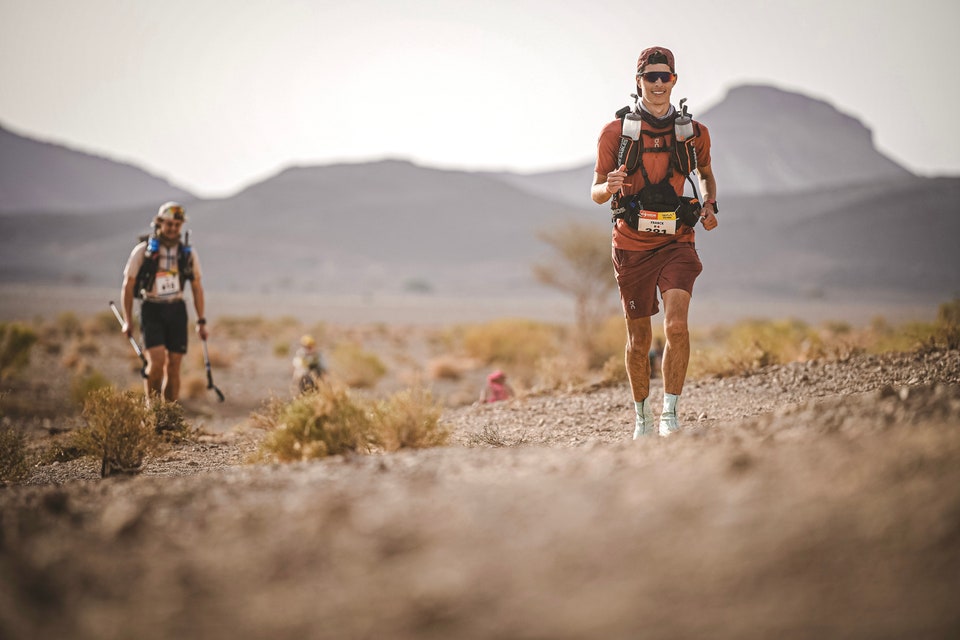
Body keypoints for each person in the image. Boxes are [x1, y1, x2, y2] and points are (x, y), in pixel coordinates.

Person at [590, 46, 719, 438]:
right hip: (631, 245)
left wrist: (710, 204)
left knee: (677, 326)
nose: (659, 83)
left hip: (677, 240)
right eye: (652, 77)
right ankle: (642, 417)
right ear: (639, 81)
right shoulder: (615, 134)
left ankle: (671, 414)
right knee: (638, 338)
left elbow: (708, 176)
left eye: (665, 76)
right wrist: (607, 186)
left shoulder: (694, 134)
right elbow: (595, 192)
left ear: (675, 80)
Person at [120, 201, 207, 403]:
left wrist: (201, 321)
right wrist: (127, 320)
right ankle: (152, 412)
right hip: (151, 308)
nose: (172, 229)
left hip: (177, 309)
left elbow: (196, 287)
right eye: (169, 224)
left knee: (174, 365)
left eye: (177, 225)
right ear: (159, 223)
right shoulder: (143, 251)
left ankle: (168, 415)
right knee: (157, 362)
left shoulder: (187, 254)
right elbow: (128, 285)